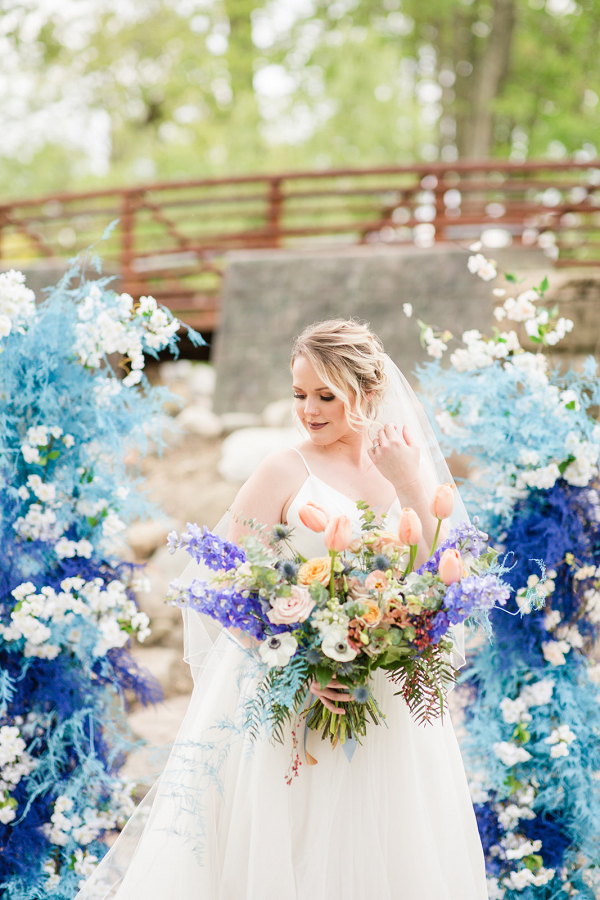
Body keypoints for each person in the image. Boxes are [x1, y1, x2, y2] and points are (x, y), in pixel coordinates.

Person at [76, 319, 488, 900]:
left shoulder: (404, 467)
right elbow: (218, 585)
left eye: (326, 396)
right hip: (292, 701)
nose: (309, 411)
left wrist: (409, 484)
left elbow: (438, 580)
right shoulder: (282, 469)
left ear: (367, 395)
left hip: (390, 700)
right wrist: (296, 666)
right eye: (299, 394)